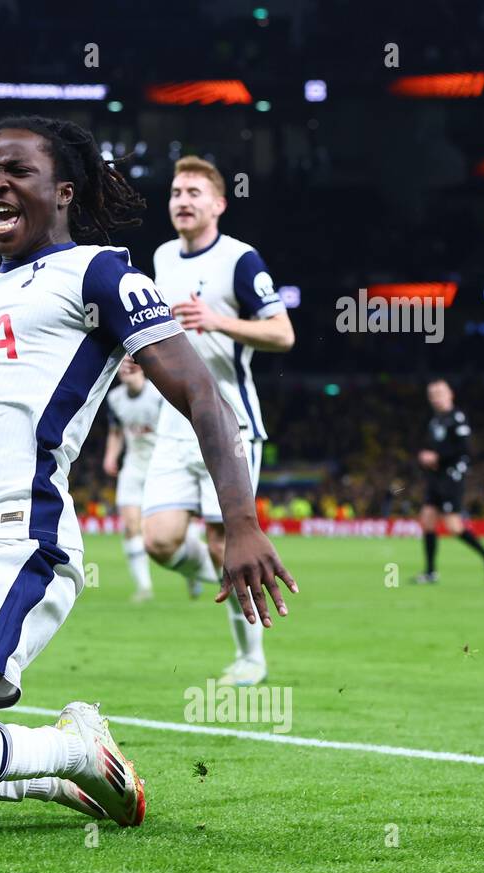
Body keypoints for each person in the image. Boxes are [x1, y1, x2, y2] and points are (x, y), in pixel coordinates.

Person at [0, 116, 297, 829]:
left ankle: (69, 748)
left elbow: (202, 393)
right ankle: (57, 774)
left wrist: (243, 522)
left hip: (13, 541)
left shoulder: (100, 273)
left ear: (64, 191)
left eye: (18, 171)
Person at [141, 156, 295, 687]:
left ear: (218, 204)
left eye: (194, 193)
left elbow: (283, 333)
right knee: (158, 541)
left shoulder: (240, 260)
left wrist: (218, 321)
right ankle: (243, 576)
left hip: (229, 422)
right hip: (172, 422)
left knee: (219, 540)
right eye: (176, 192)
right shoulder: (161, 257)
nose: (182, 200)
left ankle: (252, 658)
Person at [415, 379, 484, 584]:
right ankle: (430, 572)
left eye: (439, 393)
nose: (436, 398)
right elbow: (435, 448)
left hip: (452, 476)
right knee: (427, 520)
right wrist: (427, 457)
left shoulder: (457, 418)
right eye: (432, 394)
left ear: (450, 394)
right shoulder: (435, 421)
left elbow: (464, 448)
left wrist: (438, 458)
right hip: (436, 476)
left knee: (453, 526)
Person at [103, 355, 164, 602]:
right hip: (133, 466)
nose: (126, 367)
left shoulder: (159, 394)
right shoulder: (114, 399)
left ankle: (191, 572)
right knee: (130, 525)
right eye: (122, 363)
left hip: (161, 465)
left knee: (164, 535)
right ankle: (144, 587)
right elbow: (116, 431)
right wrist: (110, 457)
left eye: (131, 362)